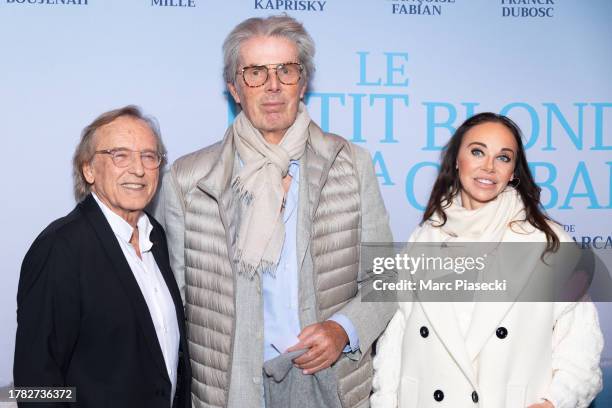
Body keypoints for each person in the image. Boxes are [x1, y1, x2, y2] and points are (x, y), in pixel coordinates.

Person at [154, 15, 395, 408]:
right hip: (231, 391)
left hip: (328, 383)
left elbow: (386, 279)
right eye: (255, 72)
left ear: (304, 83)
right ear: (234, 87)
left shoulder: (350, 164)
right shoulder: (189, 179)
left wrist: (343, 329)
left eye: (286, 70)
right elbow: (171, 303)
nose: (272, 85)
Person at [371, 112, 603, 407]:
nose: (489, 167)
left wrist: (554, 402)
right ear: (457, 159)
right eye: (478, 151)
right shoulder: (422, 239)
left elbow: (582, 347)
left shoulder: (547, 244)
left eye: (503, 158)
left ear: (513, 172)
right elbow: (394, 343)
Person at [14, 106, 191, 408]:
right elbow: (34, 386)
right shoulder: (60, 249)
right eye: (120, 155)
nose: (138, 169)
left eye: (149, 156)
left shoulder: (156, 236)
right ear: (89, 169)